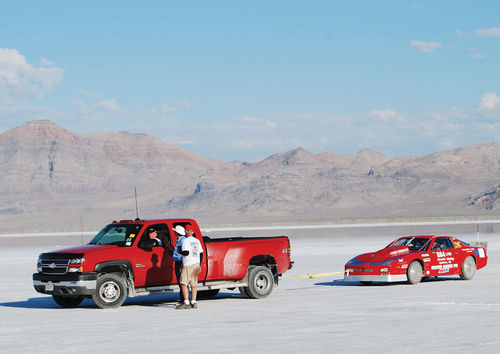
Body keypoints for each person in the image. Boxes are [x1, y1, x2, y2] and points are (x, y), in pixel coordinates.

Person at [176, 225, 203, 309]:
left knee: (183, 283)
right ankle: (194, 302)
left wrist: (179, 251)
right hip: (196, 263)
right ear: (193, 232)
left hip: (188, 264)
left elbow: (186, 253)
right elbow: (201, 253)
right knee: (193, 283)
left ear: (185, 232)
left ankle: (186, 302)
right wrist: (199, 264)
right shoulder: (197, 241)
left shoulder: (185, 241)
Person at [171, 225, 186, 303]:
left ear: (177, 233)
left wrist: (182, 264)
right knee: (180, 281)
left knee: (182, 281)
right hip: (178, 262)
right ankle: (183, 298)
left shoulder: (182, 241)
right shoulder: (180, 240)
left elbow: (183, 253)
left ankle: (184, 299)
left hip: (181, 262)